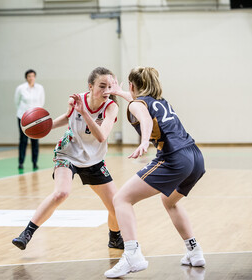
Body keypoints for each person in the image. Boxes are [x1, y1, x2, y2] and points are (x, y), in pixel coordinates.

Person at [104, 67, 206, 278]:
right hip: (195, 157)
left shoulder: (136, 104)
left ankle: (133, 255)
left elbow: (145, 119)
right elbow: (140, 107)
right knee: (169, 202)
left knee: (121, 199)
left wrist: (143, 142)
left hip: (174, 157)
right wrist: (120, 93)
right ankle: (194, 251)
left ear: (132, 86)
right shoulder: (159, 101)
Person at [12, 67, 124, 251]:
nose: (106, 91)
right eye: (101, 86)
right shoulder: (76, 100)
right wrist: (44, 126)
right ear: (90, 86)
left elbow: (101, 136)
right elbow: (68, 117)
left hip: (94, 160)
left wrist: (85, 113)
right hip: (68, 153)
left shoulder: (111, 107)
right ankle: (26, 234)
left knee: (116, 207)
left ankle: (114, 238)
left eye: (109, 87)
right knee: (61, 193)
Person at [14, 69, 45, 170]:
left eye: (33, 76)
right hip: (23, 117)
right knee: (23, 140)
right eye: (29, 76)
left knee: (35, 140)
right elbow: (16, 102)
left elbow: (41, 102)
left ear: (35, 77)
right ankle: (21, 162)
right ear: (26, 78)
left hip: (35, 119)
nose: (31, 78)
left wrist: (36, 115)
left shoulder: (40, 88)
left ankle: (35, 162)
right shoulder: (21, 88)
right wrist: (25, 114)